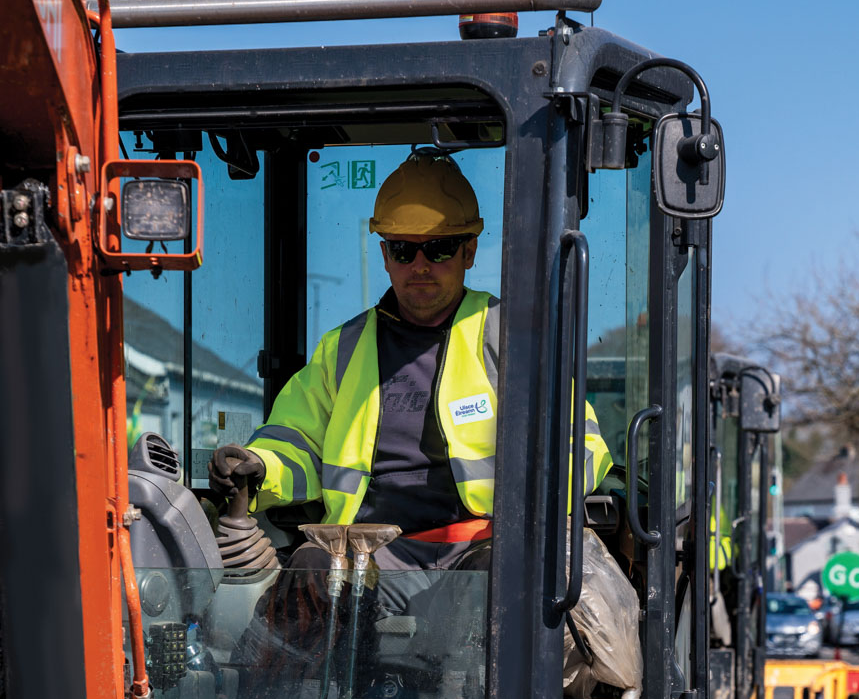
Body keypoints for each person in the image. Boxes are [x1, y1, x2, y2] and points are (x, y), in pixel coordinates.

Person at [209, 150, 613, 574]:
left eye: (438, 249)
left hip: (479, 550)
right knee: (306, 574)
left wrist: (535, 503)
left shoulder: (510, 338)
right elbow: (297, 441)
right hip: (366, 553)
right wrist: (258, 468)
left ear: (469, 252)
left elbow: (582, 445)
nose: (420, 265)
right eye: (404, 250)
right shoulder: (342, 349)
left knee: (502, 585)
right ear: (385, 255)